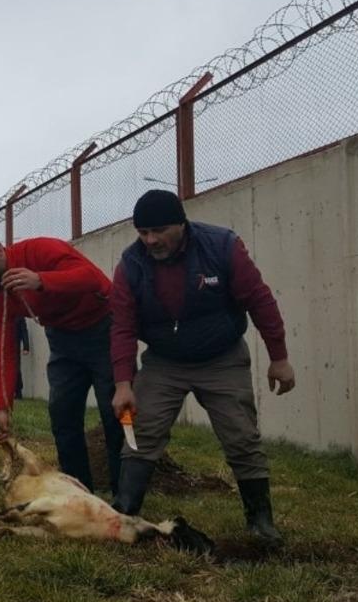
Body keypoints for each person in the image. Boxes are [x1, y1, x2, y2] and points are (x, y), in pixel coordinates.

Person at [109, 189, 295, 545]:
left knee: (241, 436)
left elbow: (259, 299)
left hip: (221, 358)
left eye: (159, 230)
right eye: (143, 232)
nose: (150, 240)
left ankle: (260, 522)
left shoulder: (222, 247)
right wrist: (123, 383)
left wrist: (279, 357)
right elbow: (122, 327)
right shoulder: (131, 264)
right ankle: (126, 512)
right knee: (142, 431)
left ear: (181, 223)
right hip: (164, 362)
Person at [0, 230, 122, 494]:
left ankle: (124, 494)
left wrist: (41, 280)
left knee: (114, 412)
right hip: (62, 340)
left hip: (103, 329)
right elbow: (2, 347)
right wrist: (3, 407)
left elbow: (92, 277)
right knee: (62, 415)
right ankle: (78, 491)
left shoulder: (41, 250)